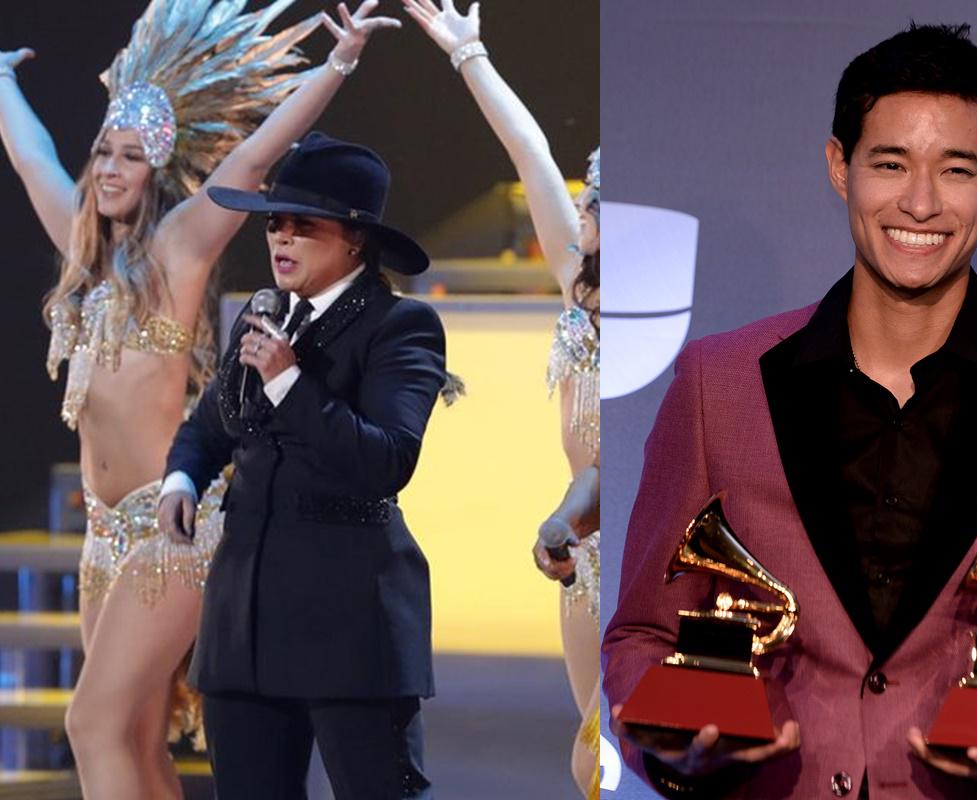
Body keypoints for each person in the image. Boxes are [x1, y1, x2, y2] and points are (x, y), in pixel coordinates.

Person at [603, 23, 977, 800]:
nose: (922, 202)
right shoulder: (716, 383)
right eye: (891, 164)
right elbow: (644, 634)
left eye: (957, 169)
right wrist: (669, 749)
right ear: (841, 167)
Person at [0, 1, 399, 796]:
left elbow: (253, 159)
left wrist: (340, 63)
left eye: (130, 157)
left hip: (169, 525)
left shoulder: (178, 245)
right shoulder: (84, 258)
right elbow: (32, 156)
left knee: (93, 725)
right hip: (105, 535)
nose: (110, 169)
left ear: (159, 169)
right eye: (103, 153)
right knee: (137, 736)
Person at [157, 131, 444, 800]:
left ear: (354, 240)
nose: (280, 241)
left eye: (302, 228)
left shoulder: (400, 325)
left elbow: (388, 461)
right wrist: (183, 477)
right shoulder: (260, 317)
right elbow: (210, 426)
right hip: (245, 623)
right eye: (274, 226)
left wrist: (291, 384)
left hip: (349, 624)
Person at [402, 1, 601, 796]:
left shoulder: (668, 320)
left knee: (627, 751)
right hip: (580, 554)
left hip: (646, 552)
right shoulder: (576, 288)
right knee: (590, 748)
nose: (581, 213)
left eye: (596, 207)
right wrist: (469, 55)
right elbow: (532, 153)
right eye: (585, 206)